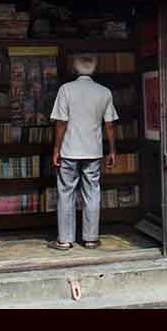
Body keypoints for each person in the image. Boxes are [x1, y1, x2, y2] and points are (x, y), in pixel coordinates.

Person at [48, 54, 118, 250]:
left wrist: (56, 149)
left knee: (66, 192)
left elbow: (61, 122)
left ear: (74, 69)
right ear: (94, 70)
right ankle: (91, 238)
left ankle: (65, 239)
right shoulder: (104, 92)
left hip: (69, 150)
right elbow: (110, 125)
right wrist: (112, 150)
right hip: (93, 151)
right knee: (92, 193)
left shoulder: (66, 90)